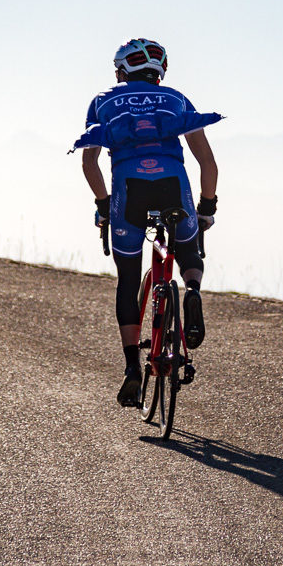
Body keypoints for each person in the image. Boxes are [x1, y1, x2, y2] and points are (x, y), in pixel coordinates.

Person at [71, 39, 221, 406]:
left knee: (127, 277)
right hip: (174, 183)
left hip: (128, 188)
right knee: (187, 245)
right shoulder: (176, 99)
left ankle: (132, 369)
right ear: (161, 71)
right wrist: (207, 208)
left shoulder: (103, 100)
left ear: (121, 72)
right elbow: (208, 164)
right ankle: (193, 291)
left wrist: (104, 207)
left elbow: (89, 163)